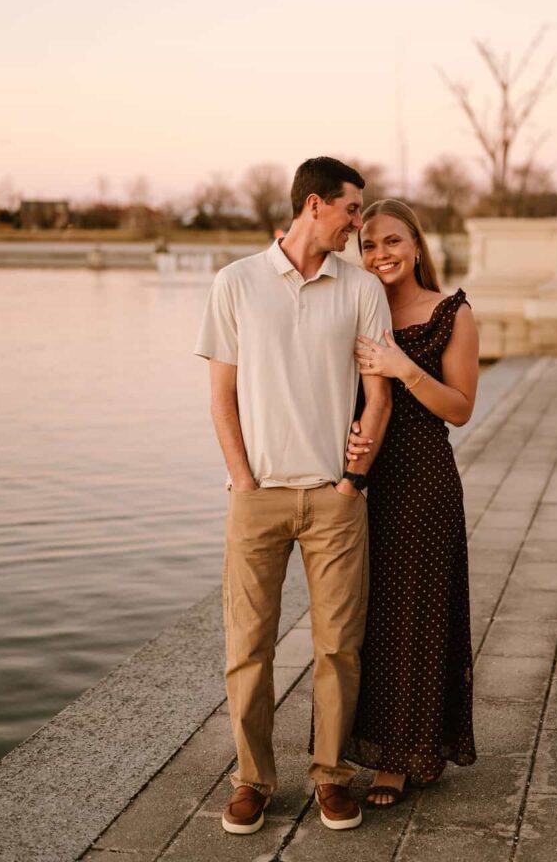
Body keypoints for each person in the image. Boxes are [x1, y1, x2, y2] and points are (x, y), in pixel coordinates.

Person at [194, 158, 392, 835]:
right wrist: (243, 482)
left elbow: (377, 393)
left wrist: (351, 482)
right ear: (315, 204)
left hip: (334, 501)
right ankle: (252, 780)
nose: (358, 225)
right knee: (247, 647)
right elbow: (220, 396)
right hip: (257, 499)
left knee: (338, 646)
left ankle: (330, 777)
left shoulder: (361, 287)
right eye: (352, 211)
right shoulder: (236, 283)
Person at [344, 198, 479, 807]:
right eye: (368, 245)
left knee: (413, 617)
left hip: (423, 479)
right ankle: (357, 743)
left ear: (417, 245)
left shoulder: (450, 312)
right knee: (360, 616)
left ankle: (400, 758)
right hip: (359, 476)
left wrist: (402, 367)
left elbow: (461, 408)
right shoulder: (354, 305)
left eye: (392, 242)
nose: (380, 255)